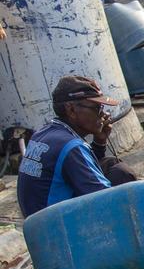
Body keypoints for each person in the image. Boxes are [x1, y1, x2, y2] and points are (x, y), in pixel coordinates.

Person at [17, 76, 137, 219]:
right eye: (97, 108)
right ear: (72, 110)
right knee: (121, 174)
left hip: (38, 221)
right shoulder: (71, 147)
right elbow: (105, 199)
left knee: (112, 165)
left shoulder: (44, 133)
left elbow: (82, 168)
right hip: (56, 227)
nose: (103, 114)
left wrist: (100, 141)